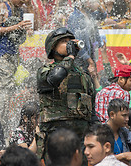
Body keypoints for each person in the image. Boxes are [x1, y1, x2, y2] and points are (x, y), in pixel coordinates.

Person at [37, 28, 95, 162]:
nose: (69, 44)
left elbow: (91, 106)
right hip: (56, 136)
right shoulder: (45, 71)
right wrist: (70, 57)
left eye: (70, 41)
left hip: (80, 138)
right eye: (64, 41)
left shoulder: (83, 75)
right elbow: (55, 78)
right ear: (53, 46)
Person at [0, 0, 33, 138]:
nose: (22, 2)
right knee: (4, 91)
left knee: (14, 91)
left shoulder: (21, 9)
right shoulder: (3, 7)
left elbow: (36, 27)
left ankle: (9, 126)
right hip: (3, 55)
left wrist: (28, 8)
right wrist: (16, 27)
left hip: (15, 56)